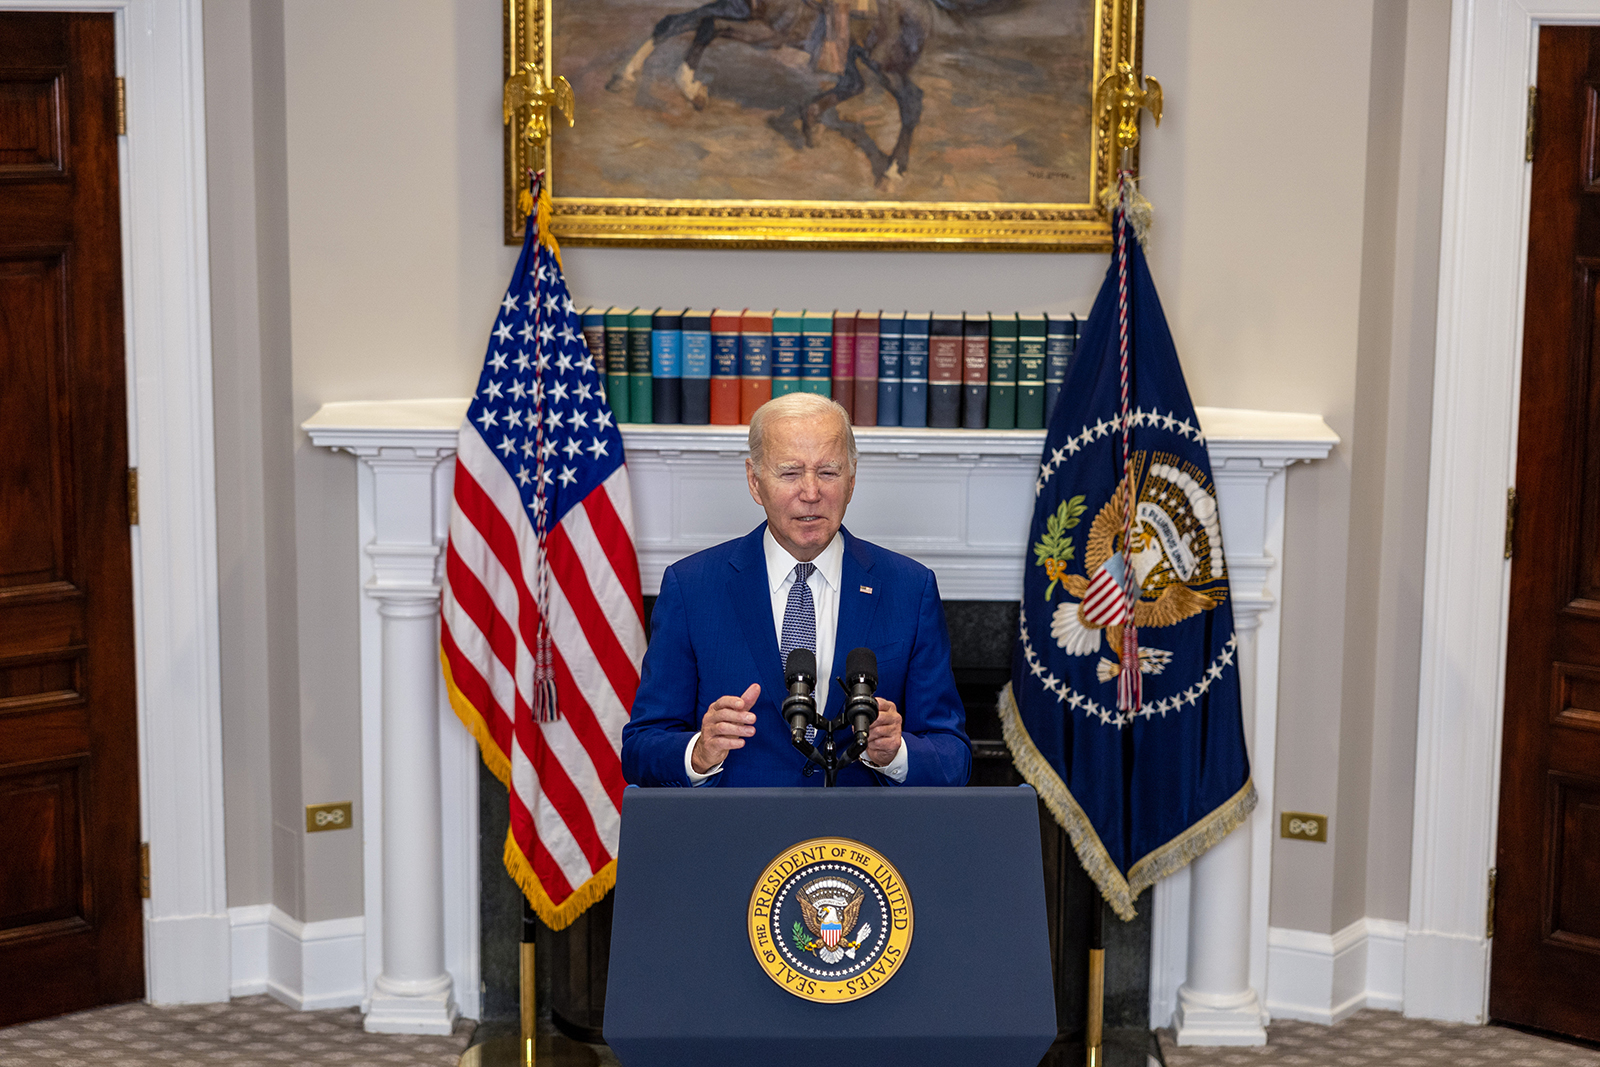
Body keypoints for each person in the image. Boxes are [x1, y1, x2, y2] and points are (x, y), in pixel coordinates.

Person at [622, 392, 972, 787]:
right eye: (790, 473)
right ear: (755, 482)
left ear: (852, 480)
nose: (810, 492)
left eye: (828, 472)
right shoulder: (692, 587)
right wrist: (700, 752)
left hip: (861, 842)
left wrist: (897, 753)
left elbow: (953, 757)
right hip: (737, 839)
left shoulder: (909, 588)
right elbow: (640, 749)